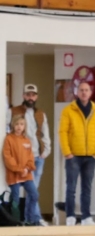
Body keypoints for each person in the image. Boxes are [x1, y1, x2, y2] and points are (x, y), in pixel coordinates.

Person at [59, 81, 95, 226]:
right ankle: (70, 216)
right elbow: (63, 132)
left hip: (90, 156)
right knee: (71, 187)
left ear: (90, 93)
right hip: (73, 156)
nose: (84, 92)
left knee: (87, 188)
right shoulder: (68, 110)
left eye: (87, 90)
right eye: (81, 90)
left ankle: (86, 217)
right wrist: (67, 152)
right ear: (77, 92)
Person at [7, 84, 51, 226]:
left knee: (33, 190)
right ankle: (31, 219)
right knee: (16, 193)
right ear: (23, 96)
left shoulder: (40, 114)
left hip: (37, 157)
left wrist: (46, 151)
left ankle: (31, 219)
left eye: (33, 95)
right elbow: (5, 131)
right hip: (19, 158)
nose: (30, 97)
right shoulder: (12, 111)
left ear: (36, 96)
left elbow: (45, 133)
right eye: (28, 94)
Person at [2, 115, 40, 225]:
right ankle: (16, 222)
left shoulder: (27, 140)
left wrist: (27, 168)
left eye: (21, 124)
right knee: (16, 199)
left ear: (24, 126)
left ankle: (29, 220)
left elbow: (30, 157)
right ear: (13, 125)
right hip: (14, 175)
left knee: (34, 195)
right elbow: (8, 158)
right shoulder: (9, 139)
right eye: (17, 124)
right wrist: (19, 170)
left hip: (26, 174)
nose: (19, 127)